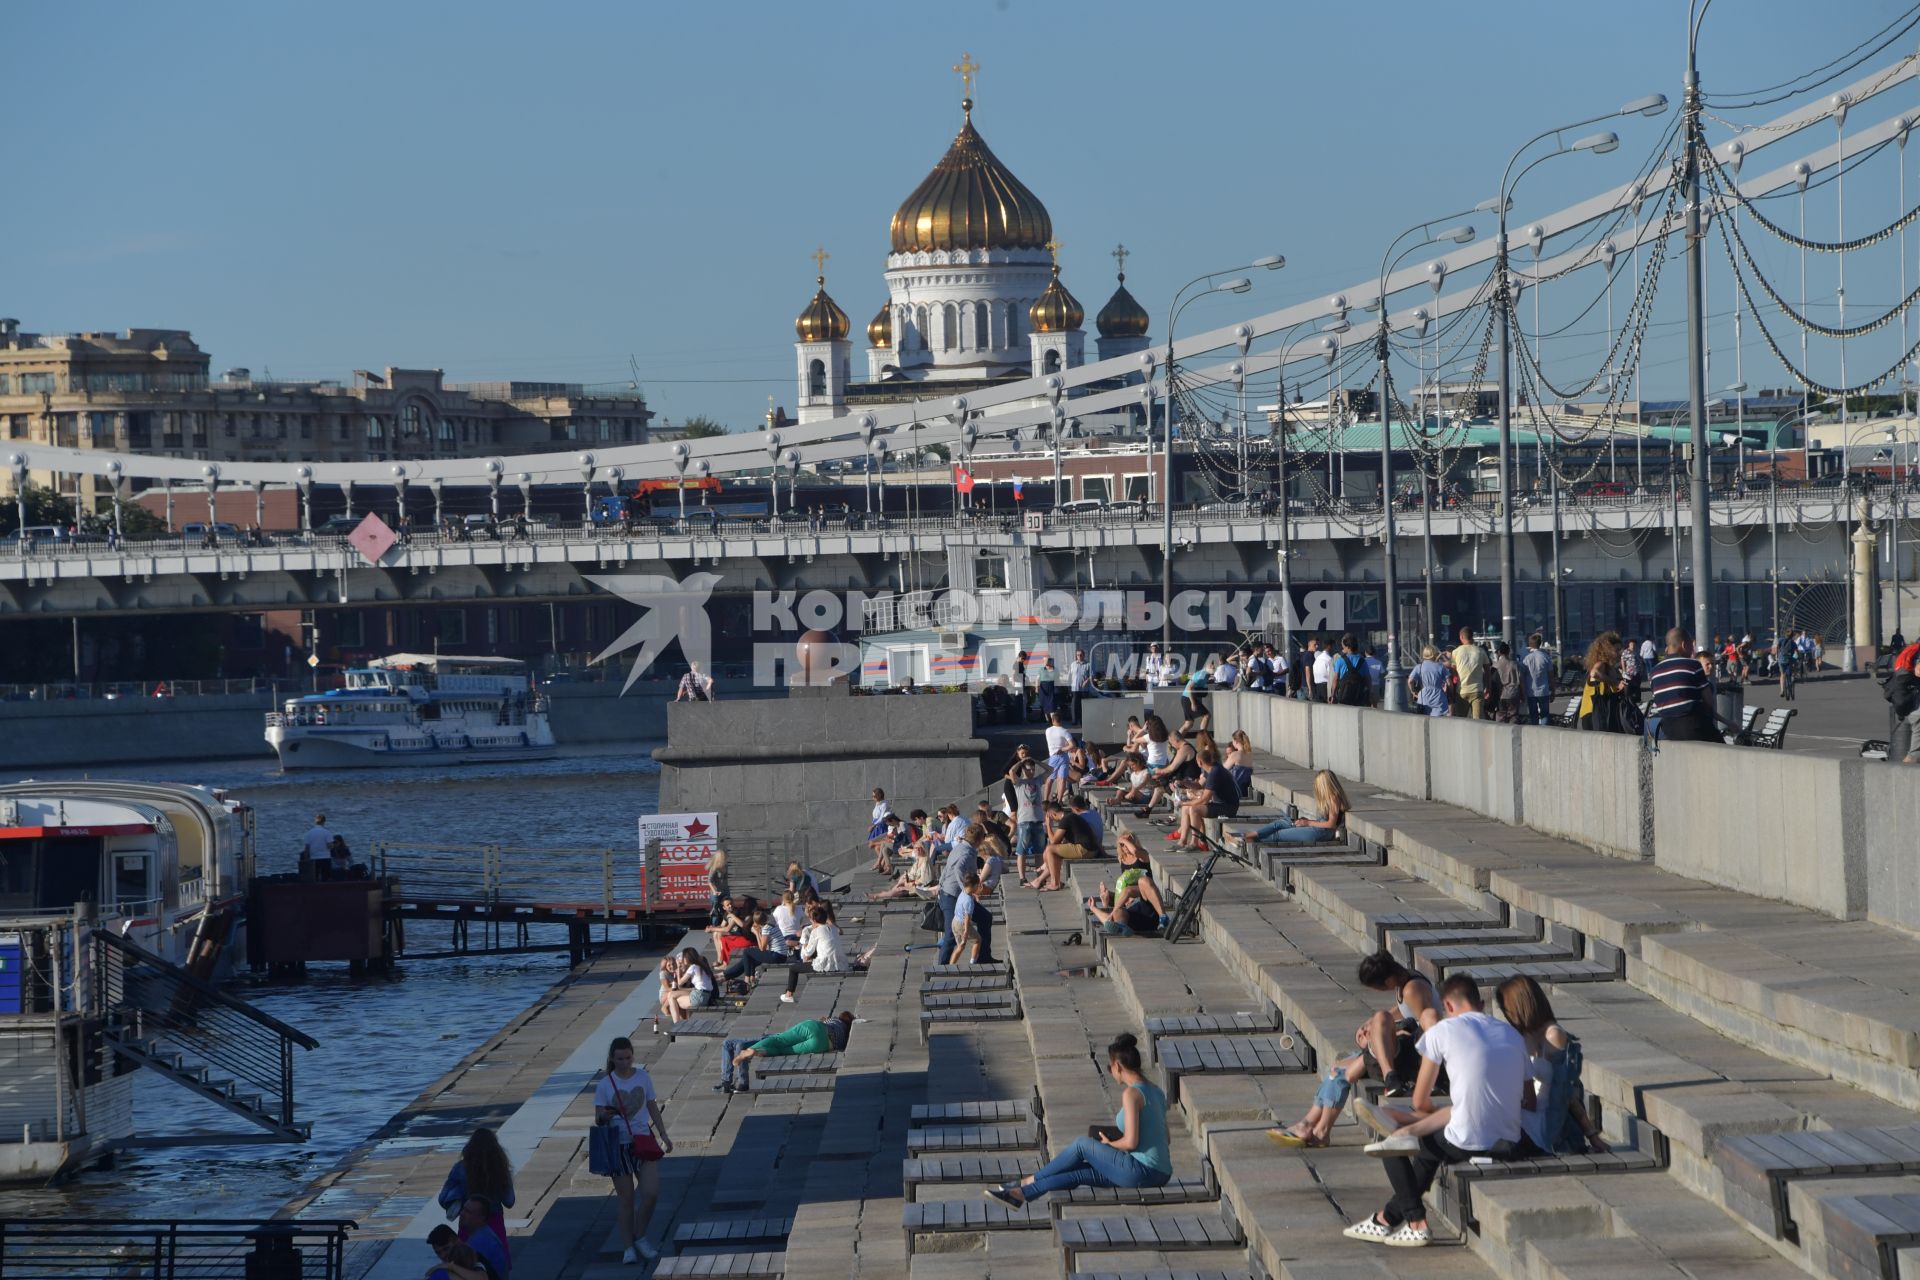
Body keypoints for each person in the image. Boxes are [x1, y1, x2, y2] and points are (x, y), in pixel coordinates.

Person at [1344, 975, 1530, 1249]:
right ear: (1480, 1003)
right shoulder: (1511, 1034)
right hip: (1511, 1139)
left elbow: (1420, 1102)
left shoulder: (1443, 1031)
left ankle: (1416, 1222)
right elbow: (1529, 1100)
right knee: (1428, 1153)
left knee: (1389, 1141)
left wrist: (1418, 1119)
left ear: (1447, 1007)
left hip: (1470, 1139)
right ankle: (1385, 1219)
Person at [987, 1034, 1170, 1205]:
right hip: (1160, 1174)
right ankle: (1020, 1194)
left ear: (1117, 1066)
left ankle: (1027, 1180)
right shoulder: (1156, 1092)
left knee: (1082, 1144)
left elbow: (1131, 1142)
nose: (1111, 1071)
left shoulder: (1132, 1094)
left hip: (1141, 1172)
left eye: (1109, 1067)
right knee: (1079, 1173)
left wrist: (1109, 1145)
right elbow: (1165, 1139)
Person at [1496, 976, 1608, 1155]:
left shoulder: (1554, 1035)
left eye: (1507, 1009)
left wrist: (1592, 1134)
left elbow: (1567, 1092)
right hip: (1527, 1110)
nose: (1507, 1015)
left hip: (1546, 1119)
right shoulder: (1524, 1035)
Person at [593, 1037, 672, 1264]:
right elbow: (598, 1118)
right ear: (612, 1059)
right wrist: (604, 1116)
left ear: (632, 1056)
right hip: (618, 1144)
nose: (624, 1062)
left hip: (643, 1140)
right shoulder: (605, 1084)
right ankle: (628, 1247)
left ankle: (640, 1236)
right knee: (626, 1199)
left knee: (651, 1193)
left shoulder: (643, 1077)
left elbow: (651, 1106)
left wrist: (663, 1134)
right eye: (619, 1059)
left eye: (628, 1057)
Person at [717, 1011, 853, 1094]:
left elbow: (824, 1020)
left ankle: (751, 1050)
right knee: (783, 1051)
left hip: (814, 1027)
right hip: (822, 1044)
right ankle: (757, 1051)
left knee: (779, 1039)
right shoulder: (845, 1036)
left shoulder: (836, 1020)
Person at [438, 1128, 516, 1267]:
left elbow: (443, 1198)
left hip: (468, 1220)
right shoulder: (500, 1169)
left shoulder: (460, 1168)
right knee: (496, 1264)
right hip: (494, 1221)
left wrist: (460, 1192)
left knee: (466, 1263)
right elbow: (509, 1201)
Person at [1240, 769, 1349, 847]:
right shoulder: (1331, 798)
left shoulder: (1334, 798)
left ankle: (1248, 840)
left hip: (1323, 833)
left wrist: (1308, 823)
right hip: (1318, 829)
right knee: (1281, 823)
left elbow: (1331, 824)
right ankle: (1253, 834)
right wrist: (1307, 822)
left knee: (1279, 835)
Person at [1085, 834, 1167, 936]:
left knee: (1141, 881)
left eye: (1128, 842)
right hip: (1136, 910)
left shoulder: (1142, 854)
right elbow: (1125, 888)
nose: (1126, 846)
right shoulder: (1122, 859)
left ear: (1134, 842)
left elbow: (1135, 852)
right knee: (1118, 912)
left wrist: (1123, 839)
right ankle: (1122, 926)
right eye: (1122, 845)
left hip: (1148, 897)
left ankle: (1163, 917)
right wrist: (1105, 899)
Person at [1648, 628, 1718, 742]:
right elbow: (1709, 701)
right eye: (1691, 645)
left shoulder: (1654, 672)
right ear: (1684, 645)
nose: (1692, 649)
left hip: (1667, 729)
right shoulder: (1693, 665)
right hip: (1693, 726)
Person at [1172, 743, 1239, 850]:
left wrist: (1183, 802)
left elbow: (1204, 799)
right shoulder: (1212, 768)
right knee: (1186, 809)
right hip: (1220, 804)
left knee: (1194, 809)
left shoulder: (1215, 773)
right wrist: (1184, 783)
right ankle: (1182, 841)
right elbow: (1199, 785)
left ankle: (1195, 843)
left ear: (1200, 762)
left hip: (1228, 807)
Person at [1024, 800, 1099, 892]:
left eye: (1049, 817)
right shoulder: (1069, 816)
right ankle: (1038, 880)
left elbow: (1053, 841)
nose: (1050, 819)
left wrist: (1048, 825)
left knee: (1050, 850)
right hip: (1090, 849)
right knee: (1053, 853)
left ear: (1053, 814)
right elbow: (1059, 842)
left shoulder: (1065, 820)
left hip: (1085, 850)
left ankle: (1055, 883)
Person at [780, 902, 846, 1002]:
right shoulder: (833, 928)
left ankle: (789, 994)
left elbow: (807, 953)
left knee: (793, 968)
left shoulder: (816, 931)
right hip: (841, 963)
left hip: (825, 965)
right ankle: (787, 994)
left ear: (814, 920)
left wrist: (804, 942)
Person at [936, 829, 977, 964]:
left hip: (951, 893)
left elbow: (948, 866)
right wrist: (965, 889)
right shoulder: (967, 852)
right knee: (950, 937)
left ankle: (982, 956)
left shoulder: (959, 847)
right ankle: (941, 968)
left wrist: (940, 883)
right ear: (978, 840)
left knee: (985, 918)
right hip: (952, 896)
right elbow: (958, 868)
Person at [1577, 632, 1629, 733]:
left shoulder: (1612, 669)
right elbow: (1594, 673)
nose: (1621, 652)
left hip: (1603, 713)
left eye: (1621, 649)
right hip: (1593, 713)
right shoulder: (1601, 665)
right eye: (1617, 650)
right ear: (1607, 651)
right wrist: (1616, 683)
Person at [456, 1197, 510, 1279]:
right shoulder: (485, 1233)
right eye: (463, 1209)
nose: (462, 1214)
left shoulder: (479, 1243)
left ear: (482, 1218)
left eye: (468, 1212)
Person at [951, 870, 995, 964]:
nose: (979, 887)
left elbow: (970, 892)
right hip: (962, 924)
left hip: (955, 922)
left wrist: (975, 895)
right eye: (978, 885)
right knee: (977, 940)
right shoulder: (969, 902)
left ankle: (951, 965)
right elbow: (967, 917)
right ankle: (973, 963)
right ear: (974, 886)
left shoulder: (963, 892)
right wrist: (966, 930)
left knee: (960, 947)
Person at [666, 947, 718, 1023]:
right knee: (672, 995)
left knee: (673, 998)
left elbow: (680, 983)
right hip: (705, 996)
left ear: (687, 958)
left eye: (684, 958)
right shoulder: (702, 965)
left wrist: (678, 970)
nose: (683, 960)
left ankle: (676, 1024)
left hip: (699, 997)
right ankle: (683, 1022)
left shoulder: (693, 967)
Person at [425, 1226, 494, 1280]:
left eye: (446, 1249)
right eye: (438, 1253)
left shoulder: (472, 1257)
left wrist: (451, 1267)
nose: (443, 1256)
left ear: (457, 1241)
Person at [1450, 627, 1489, 720]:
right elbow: (1488, 672)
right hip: (1477, 690)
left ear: (1461, 637)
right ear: (1472, 637)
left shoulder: (1455, 652)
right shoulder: (1481, 651)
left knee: (1461, 720)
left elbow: (1453, 670)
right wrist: (1488, 688)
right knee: (1478, 721)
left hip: (1461, 691)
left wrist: (1456, 677)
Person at [1521, 633, 1555, 725]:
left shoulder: (1526, 659)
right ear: (1540, 643)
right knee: (1545, 715)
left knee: (1533, 715)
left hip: (1530, 691)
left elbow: (1522, 677)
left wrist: (1523, 692)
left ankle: (1535, 733)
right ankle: (1544, 733)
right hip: (1544, 691)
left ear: (1530, 644)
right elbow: (1551, 677)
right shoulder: (1546, 657)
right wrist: (1553, 691)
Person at [1408, 645, 1451, 718]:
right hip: (1439, 697)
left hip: (1424, 698)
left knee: (1423, 720)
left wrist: (1413, 691)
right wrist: (1449, 693)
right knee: (1438, 722)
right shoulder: (1441, 666)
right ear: (1434, 654)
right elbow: (1449, 683)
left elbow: (1410, 681)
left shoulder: (1419, 667)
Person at [1330, 634, 1371, 706]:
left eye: (1344, 646)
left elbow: (1335, 679)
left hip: (1343, 696)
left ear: (1348, 647)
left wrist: (1333, 695)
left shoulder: (1340, 660)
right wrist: (1370, 694)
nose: (1343, 648)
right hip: (1358, 697)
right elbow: (1368, 679)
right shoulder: (1363, 661)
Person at [1490, 641, 1523, 724]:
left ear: (1499, 652)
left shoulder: (1495, 666)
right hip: (1513, 693)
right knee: (1514, 716)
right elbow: (1521, 681)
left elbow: (1492, 682)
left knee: (1500, 716)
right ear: (1508, 652)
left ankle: (1501, 734)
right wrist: (1523, 694)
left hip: (1501, 694)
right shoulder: (1515, 664)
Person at [1069, 648, 1093, 724]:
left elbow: (1092, 675)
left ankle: (1083, 721)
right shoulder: (1073, 664)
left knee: (1084, 706)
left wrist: (1086, 681)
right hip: (1075, 688)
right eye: (1077, 655)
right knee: (1074, 706)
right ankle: (1074, 721)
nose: (1079, 656)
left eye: (1080, 655)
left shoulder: (1088, 665)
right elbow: (1069, 676)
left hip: (1084, 689)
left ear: (1084, 655)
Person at [1311, 639, 1335, 704]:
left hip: (1317, 687)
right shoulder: (1329, 659)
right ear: (1329, 646)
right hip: (1325, 687)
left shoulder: (1317, 659)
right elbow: (1331, 676)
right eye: (1333, 646)